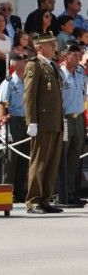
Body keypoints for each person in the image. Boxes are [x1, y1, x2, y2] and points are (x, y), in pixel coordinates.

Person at [23, 31, 63, 214]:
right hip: (42, 121)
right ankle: (33, 200)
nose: (54, 47)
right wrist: (31, 121)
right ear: (40, 47)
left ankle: (45, 198)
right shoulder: (35, 65)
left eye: (54, 44)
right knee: (39, 162)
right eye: (50, 44)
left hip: (54, 121)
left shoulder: (52, 66)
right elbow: (29, 95)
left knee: (51, 162)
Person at [0, 53, 29, 202]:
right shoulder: (9, 82)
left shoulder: (28, 80)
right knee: (11, 159)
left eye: (25, 60)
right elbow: (2, 105)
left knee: (24, 158)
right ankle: (7, 192)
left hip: (26, 121)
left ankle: (19, 192)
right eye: (21, 61)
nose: (24, 63)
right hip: (14, 121)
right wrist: (3, 126)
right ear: (14, 64)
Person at [59, 42, 86, 205]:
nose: (77, 57)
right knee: (63, 157)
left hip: (79, 118)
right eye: (73, 55)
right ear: (65, 55)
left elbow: (84, 95)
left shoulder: (81, 73)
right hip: (65, 119)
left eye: (79, 55)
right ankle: (61, 193)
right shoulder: (60, 74)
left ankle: (71, 192)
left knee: (75, 157)